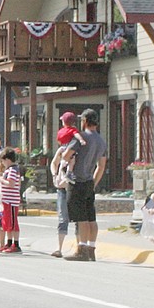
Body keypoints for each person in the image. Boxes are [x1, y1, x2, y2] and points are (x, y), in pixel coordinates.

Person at [64, 108, 109, 262]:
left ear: (84, 121)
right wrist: (94, 182)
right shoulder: (101, 141)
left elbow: (66, 155)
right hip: (89, 181)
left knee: (81, 217)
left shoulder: (81, 137)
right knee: (91, 217)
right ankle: (91, 248)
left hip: (77, 180)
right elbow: (101, 166)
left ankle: (81, 249)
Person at [49, 112, 82, 258]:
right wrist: (55, 176)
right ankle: (59, 248)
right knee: (63, 218)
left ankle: (78, 248)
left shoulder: (76, 149)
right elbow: (54, 163)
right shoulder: (62, 149)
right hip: (61, 188)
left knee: (76, 219)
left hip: (73, 187)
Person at [0, 150, 22, 253]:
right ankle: (9, 242)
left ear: (7, 160)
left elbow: (11, 184)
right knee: (8, 223)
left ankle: (16, 244)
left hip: (11, 201)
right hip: (7, 200)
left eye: (2, 161)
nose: (2, 163)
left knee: (13, 223)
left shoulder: (12, 170)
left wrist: (0, 179)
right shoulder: (11, 170)